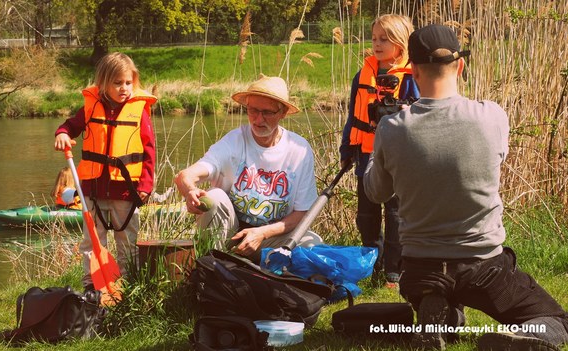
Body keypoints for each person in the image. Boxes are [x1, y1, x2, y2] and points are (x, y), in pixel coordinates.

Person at [363, 24, 568, 350]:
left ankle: (437, 310)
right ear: (459, 66)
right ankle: (518, 339)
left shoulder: (392, 128)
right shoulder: (491, 117)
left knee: (436, 292)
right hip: (481, 266)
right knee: (557, 320)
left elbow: (376, 193)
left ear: (412, 70)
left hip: (418, 268)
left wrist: (380, 142)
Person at [174, 74, 322, 263]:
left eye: (267, 112)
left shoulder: (299, 150)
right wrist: (190, 190)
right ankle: (212, 265)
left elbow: (302, 213)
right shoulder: (233, 141)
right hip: (230, 235)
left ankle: (272, 278)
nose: (258, 119)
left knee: (314, 244)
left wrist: (262, 233)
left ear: (283, 112)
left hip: (269, 238)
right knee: (214, 197)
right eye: (253, 110)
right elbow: (185, 175)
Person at [54, 52, 157, 291]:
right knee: (91, 242)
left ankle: (128, 288)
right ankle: (92, 289)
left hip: (125, 190)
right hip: (92, 189)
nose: (124, 88)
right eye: (117, 83)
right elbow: (70, 126)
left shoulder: (138, 110)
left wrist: (145, 185)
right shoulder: (91, 108)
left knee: (127, 242)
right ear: (103, 83)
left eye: (128, 83)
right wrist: (62, 133)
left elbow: (150, 150)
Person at [339, 14, 419, 288]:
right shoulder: (361, 75)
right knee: (366, 215)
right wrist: (347, 148)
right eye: (374, 38)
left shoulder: (412, 76)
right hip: (366, 155)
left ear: (401, 41)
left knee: (396, 214)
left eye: (384, 38)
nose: (377, 43)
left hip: (399, 158)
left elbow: (424, 113)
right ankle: (372, 263)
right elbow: (353, 115)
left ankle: (394, 271)